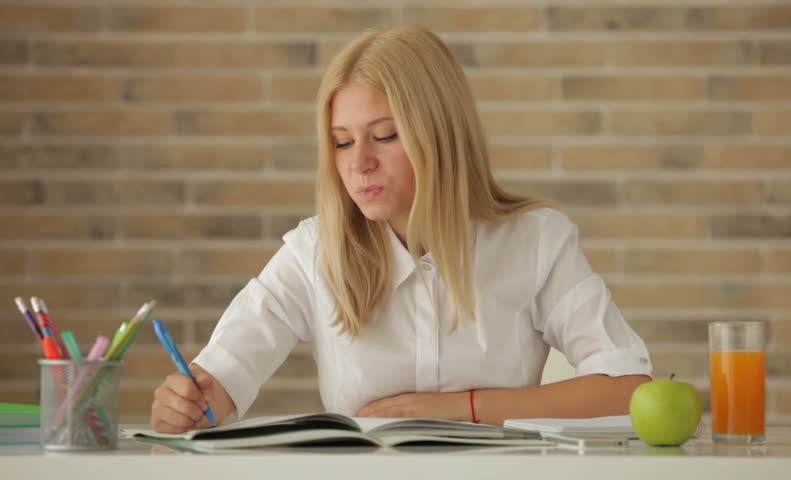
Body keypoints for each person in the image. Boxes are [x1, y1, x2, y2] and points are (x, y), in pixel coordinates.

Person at [150, 25, 652, 434]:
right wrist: (191, 403)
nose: (359, 164)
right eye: (342, 143)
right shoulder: (314, 251)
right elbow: (222, 377)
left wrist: (464, 408)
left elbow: (628, 389)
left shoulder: (537, 240)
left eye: (384, 135)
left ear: (439, 133)